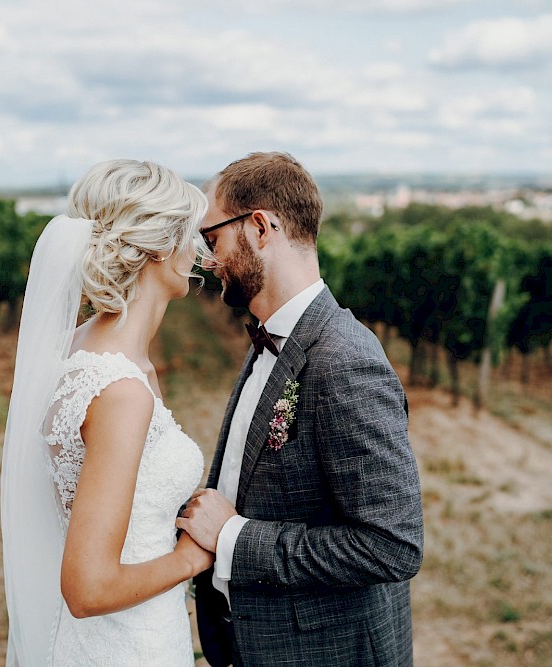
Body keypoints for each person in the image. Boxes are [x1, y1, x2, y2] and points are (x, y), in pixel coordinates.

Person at [177, 152, 424, 666]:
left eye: (212, 238)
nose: (208, 259)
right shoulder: (271, 338)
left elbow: (392, 544)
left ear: (260, 228)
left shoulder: (344, 361)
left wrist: (233, 538)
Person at [0, 159, 214, 666]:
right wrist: (190, 557)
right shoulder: (121, 391)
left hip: (137, 628)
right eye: (191, 235)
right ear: (160, 246)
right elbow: (88, 588)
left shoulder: (83, 351)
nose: (199, 251)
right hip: (127, 647)